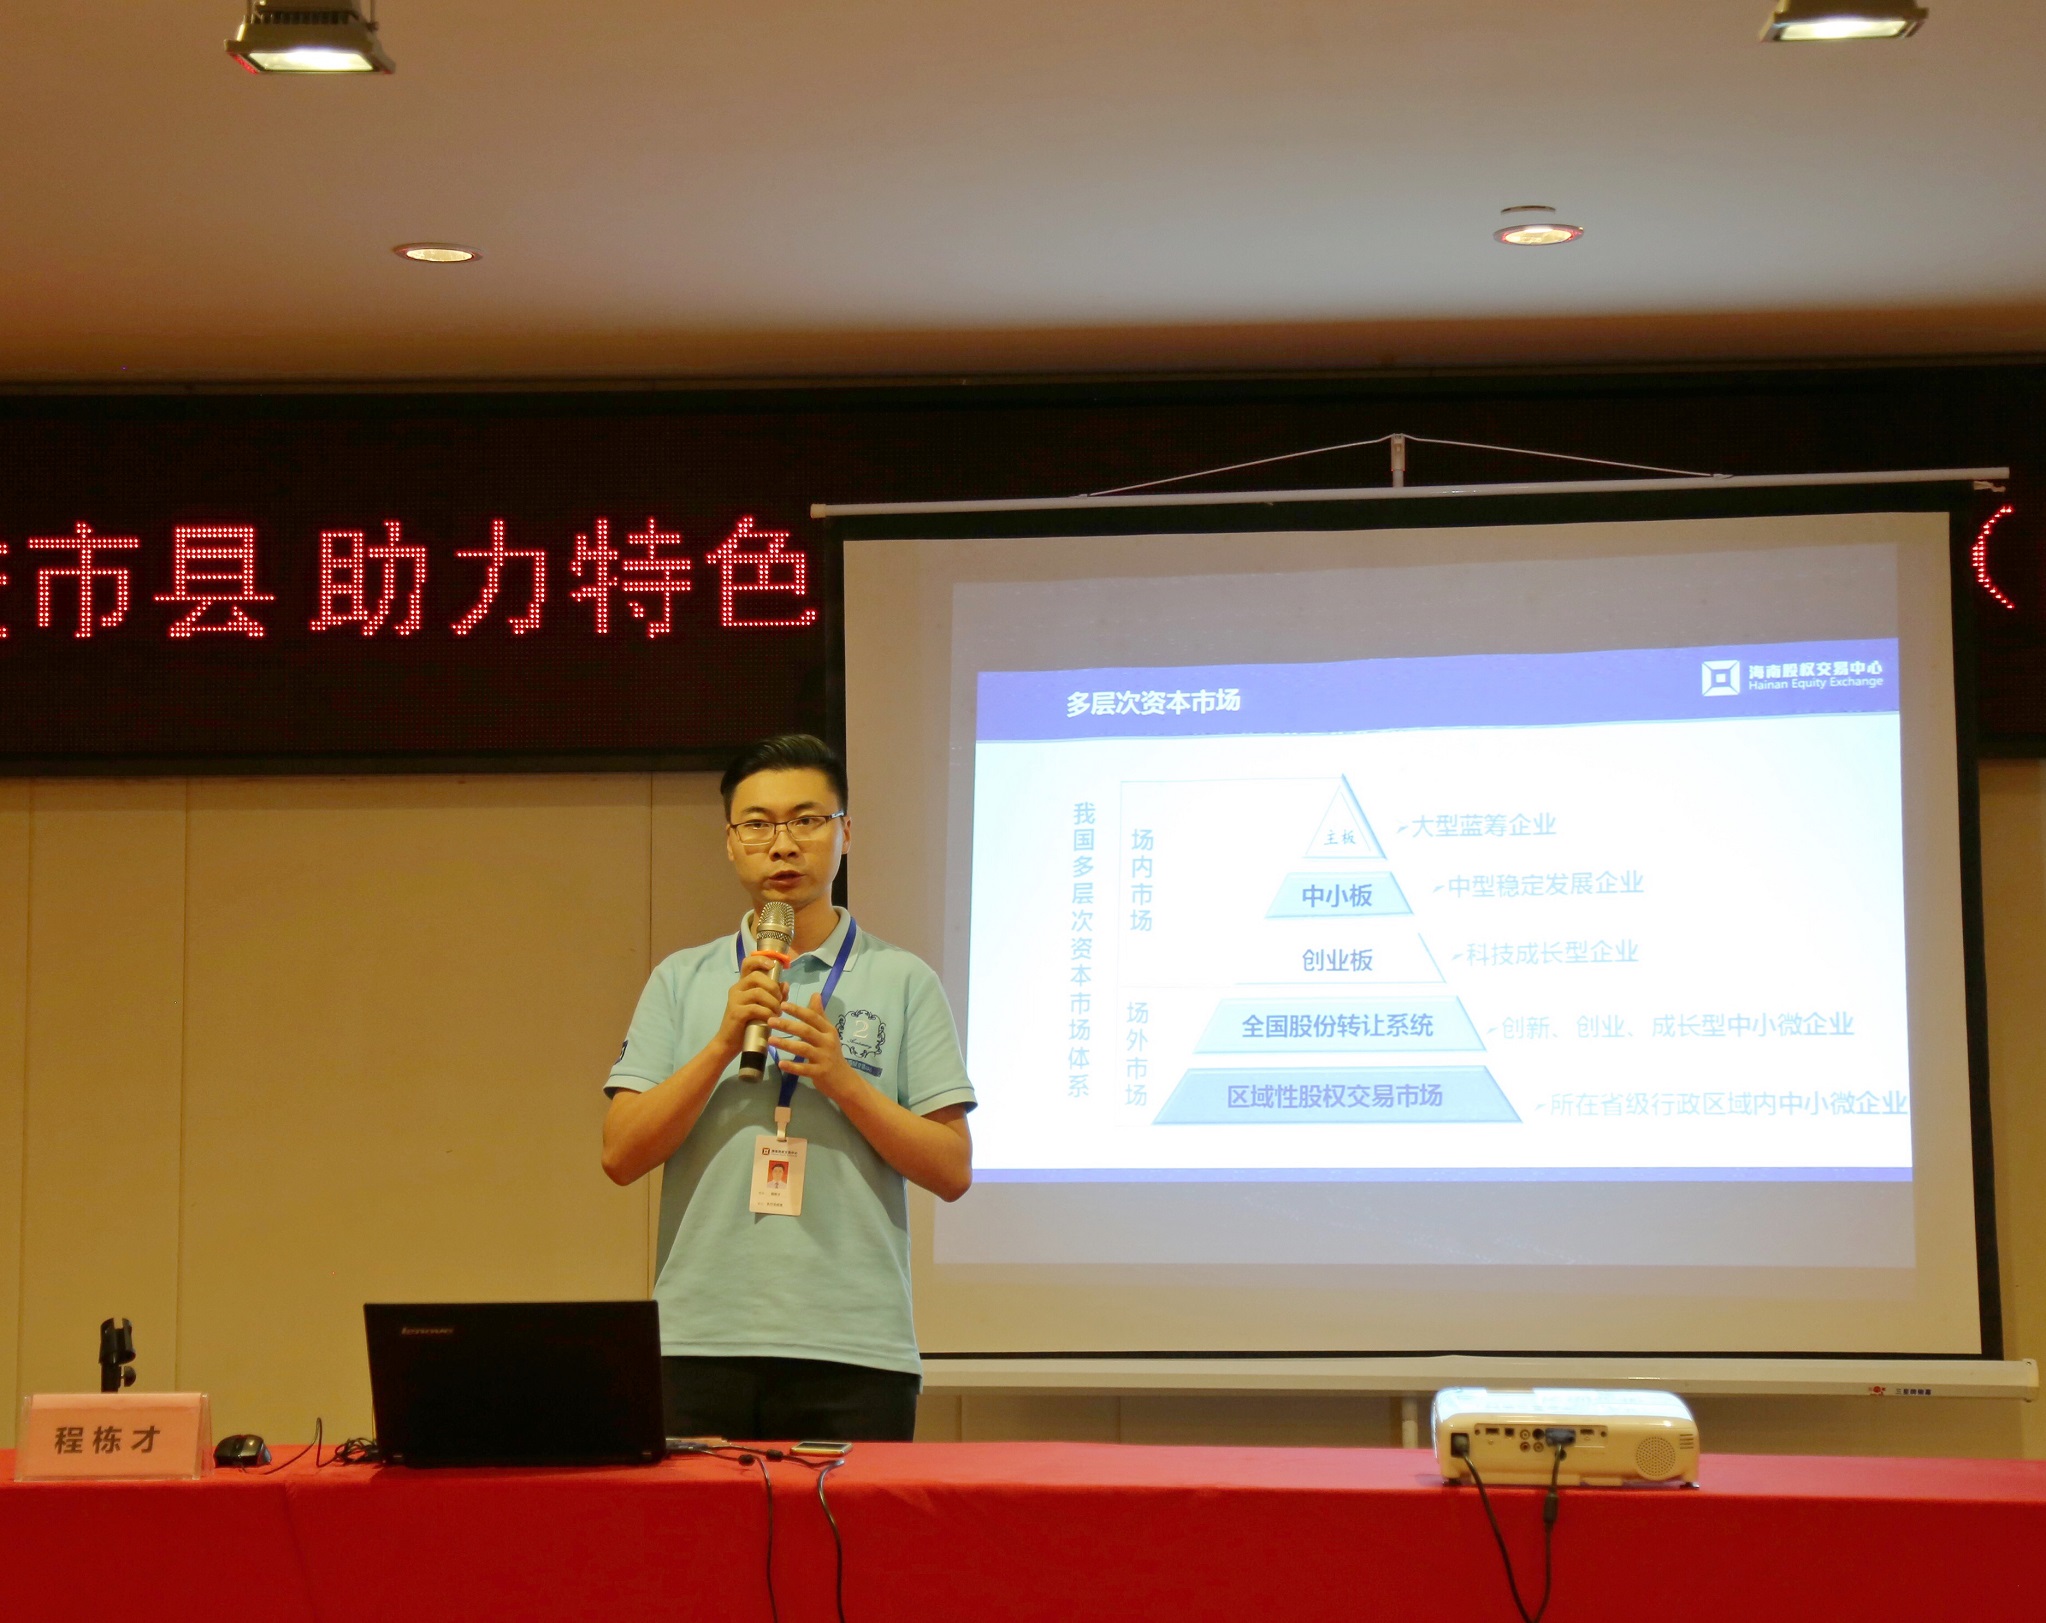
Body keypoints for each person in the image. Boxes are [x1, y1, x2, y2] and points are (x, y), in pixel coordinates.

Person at [600, 733, 976, 1441]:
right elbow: (621, 1155)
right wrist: (722, 1042)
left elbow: (952, 1169)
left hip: (856, 1349)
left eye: (807, 820)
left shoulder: (904, 980)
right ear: (730, 843)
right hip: (697, 1342)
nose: (782, 845)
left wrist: (844, 1083)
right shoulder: (680, 979)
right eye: (758, 824)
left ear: (845, 834)